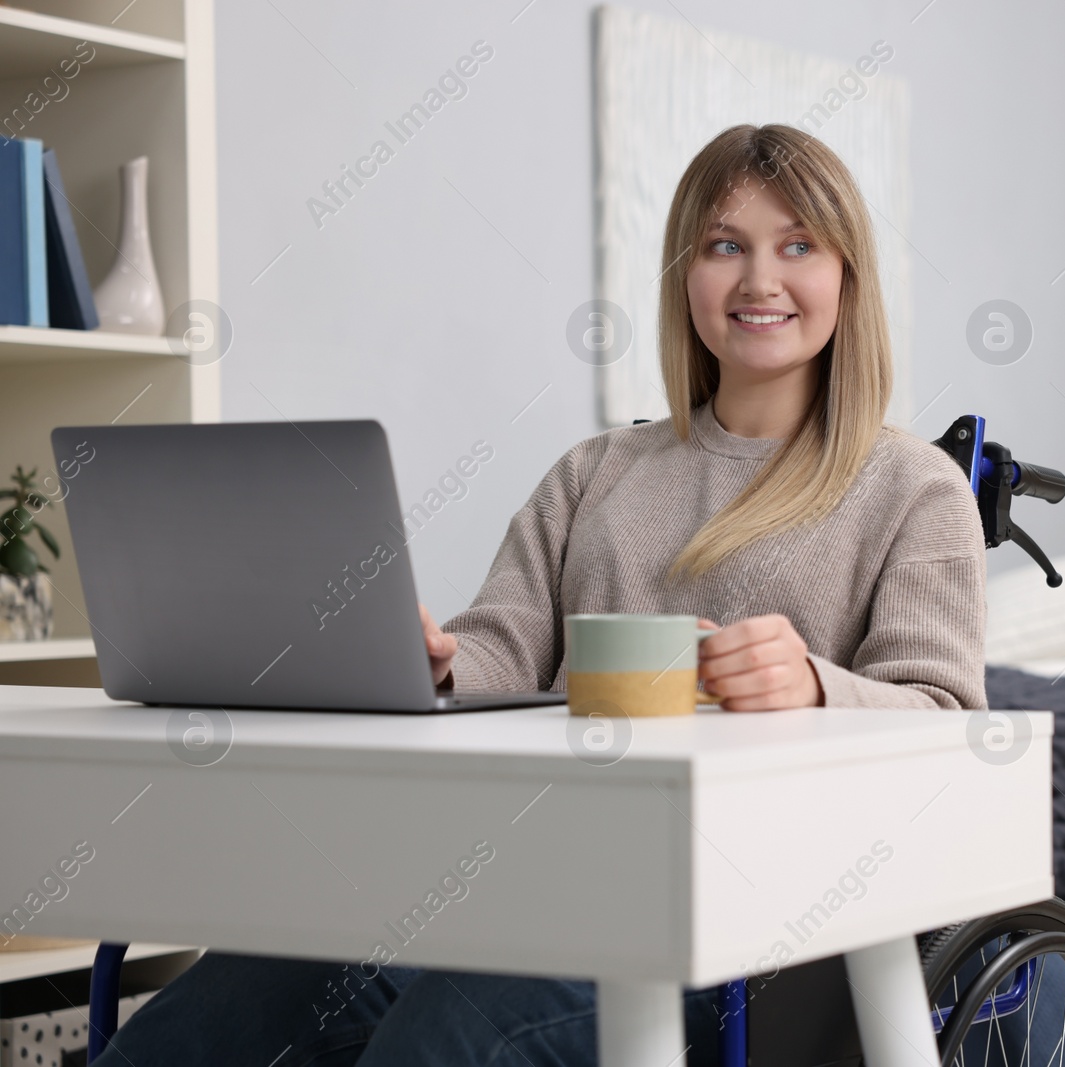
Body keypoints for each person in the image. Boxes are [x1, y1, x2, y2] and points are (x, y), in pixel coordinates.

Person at [94, 122, 986, 1067]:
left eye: (797, 244)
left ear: (848, 277)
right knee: (237, 996)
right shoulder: (595, 472)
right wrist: (432, 663)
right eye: (727, 245)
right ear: (686, 275)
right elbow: (500, 653)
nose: (760, 279)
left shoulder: (912, 489)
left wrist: (814, 685)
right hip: (529, 888)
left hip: (754, 940)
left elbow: (949, 717)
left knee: (443, 1035)